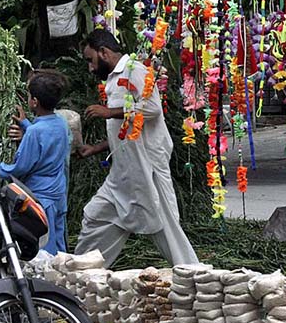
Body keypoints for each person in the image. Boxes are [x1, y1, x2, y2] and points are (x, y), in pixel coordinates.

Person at [75, 29, 198, 268]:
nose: (90, 67)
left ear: (104, 52)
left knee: (167, 228)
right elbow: (126, 130)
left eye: (91, 60)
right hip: (123, 170)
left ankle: (192, 275)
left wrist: (108, 112)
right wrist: (97, 148)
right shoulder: (113, 78)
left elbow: (152, 109)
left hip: (147, 168)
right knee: (94, 216)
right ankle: (79, 274)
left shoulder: (135, 70)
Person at [0, 70, 70, 255]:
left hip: (40, 196)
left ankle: (46, 281)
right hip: (58, 194)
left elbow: (21, 167)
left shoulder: (34, 133)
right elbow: (48, 138)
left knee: (45, 246)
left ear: (34, 101)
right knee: (58, 240)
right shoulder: (61, 124)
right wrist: (26, 124)